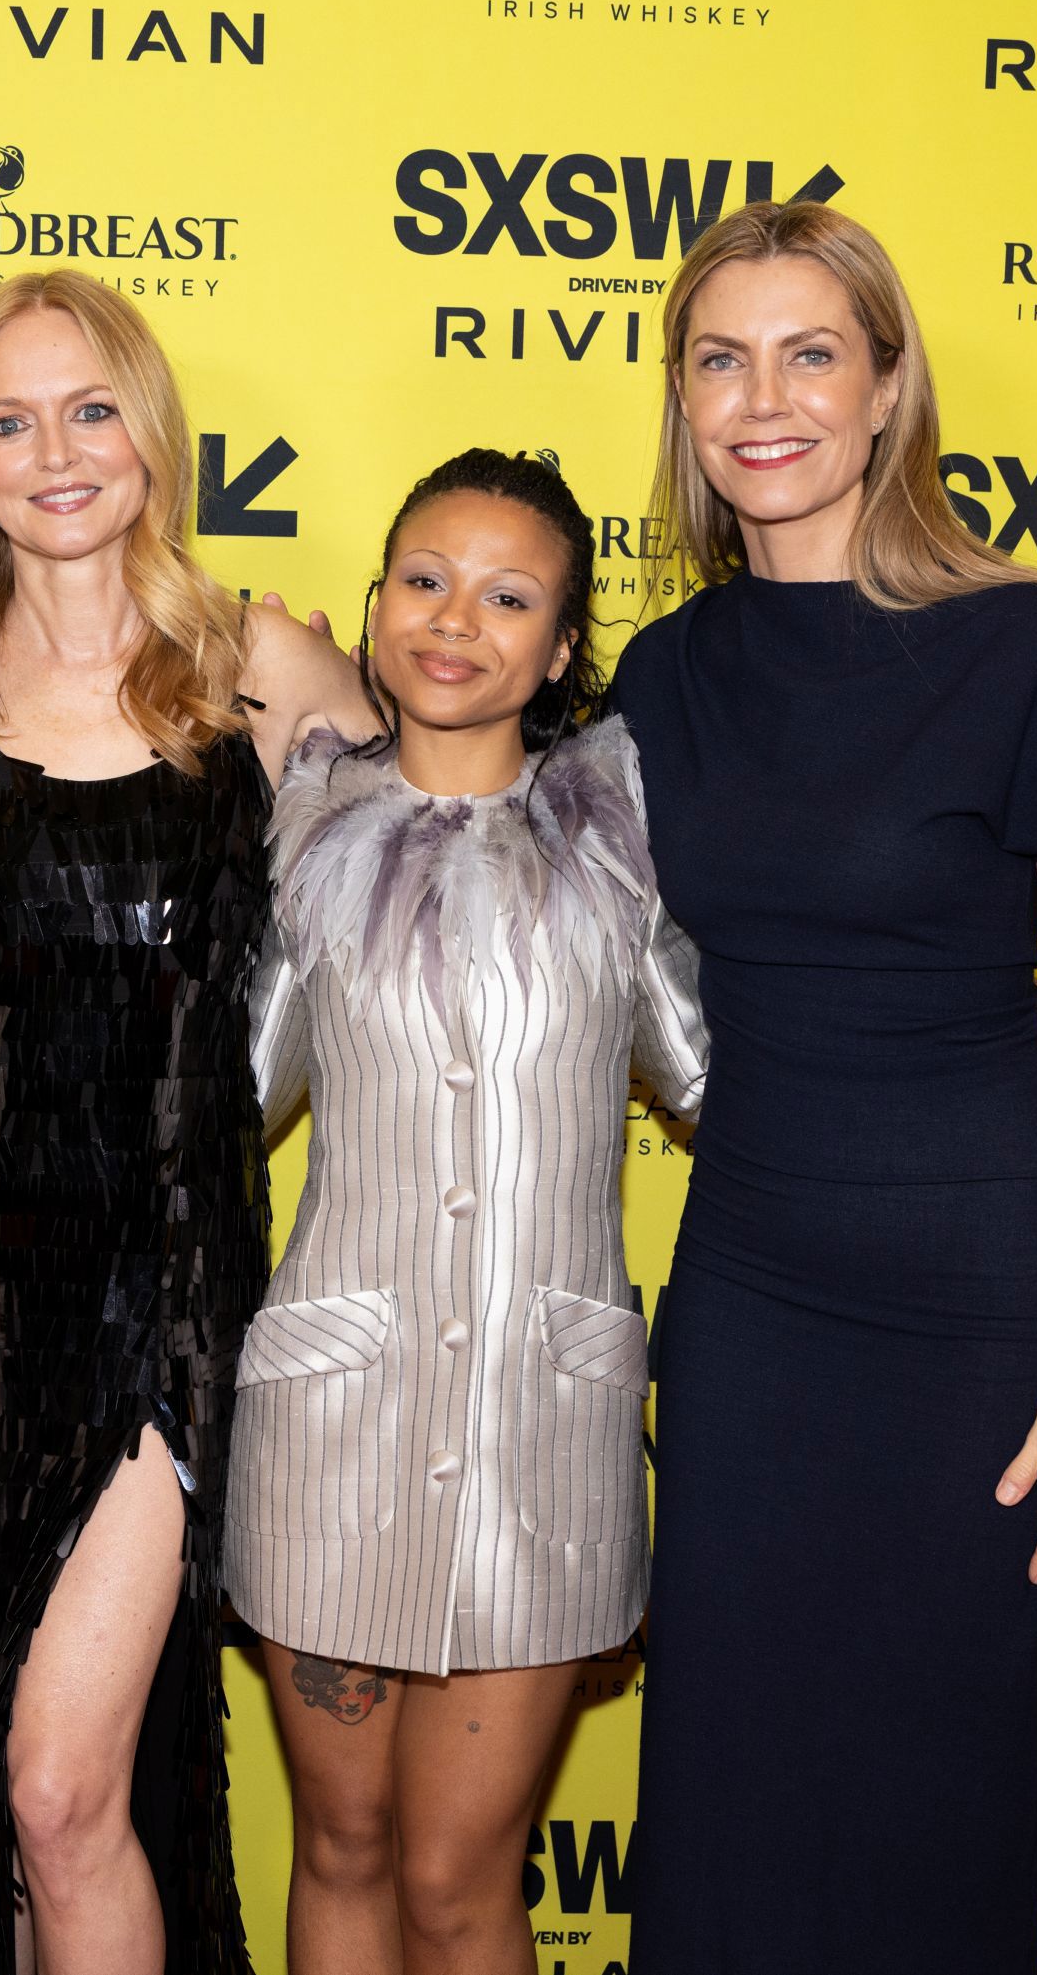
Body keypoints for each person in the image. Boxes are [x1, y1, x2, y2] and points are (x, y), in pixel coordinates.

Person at [611, 203, 1037, 1971]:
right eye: (722, 360)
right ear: (685, 404)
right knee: (731, 1763)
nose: (764, 399)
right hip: (751, 1288)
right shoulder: (665, 675)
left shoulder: (1026, 649)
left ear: (884, 390)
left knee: (945, 1764)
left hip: (975, 1296)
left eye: (811, 355)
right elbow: (468, 787)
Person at [0, 268, 378, 1975]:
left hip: (165, 1310)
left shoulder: (259, 667)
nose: (57, 453)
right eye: (10, 423)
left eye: (90, 411)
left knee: (59, 1784)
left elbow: (446, 903)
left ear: (151, 435)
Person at [234, 447, 706, 1975]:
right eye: (426, 581)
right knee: (344, 1847)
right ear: (374, 609)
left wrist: (963, 1032)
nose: (456, 621)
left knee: (454, 1877)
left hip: (544, 1442)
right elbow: (226, 1093)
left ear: (562, 650)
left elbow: (716, 1073)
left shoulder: (620, 836)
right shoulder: (304, 824)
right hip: (329, 1427)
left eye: (509, 599)